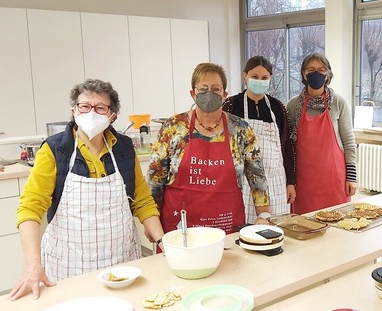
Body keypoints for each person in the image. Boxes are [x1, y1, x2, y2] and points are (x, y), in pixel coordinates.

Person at [8, 79, 165, 300]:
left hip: (121, 262)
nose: (91, 112)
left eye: (100, 107)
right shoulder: (54, 150)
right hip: (69, 265)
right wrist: (32, 264)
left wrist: (163, 244)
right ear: (74, 111)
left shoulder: (124, 148)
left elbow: (142, 201)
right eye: (84, 106)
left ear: (112, 115)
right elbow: (29, 208)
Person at [147, 63, 271, 235]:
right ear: (192, 93)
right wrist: (152, 222)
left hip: (225, 225)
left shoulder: (240, 129)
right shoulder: (174, 127)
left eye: (215, 89)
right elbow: (155, 179)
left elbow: (257, 177)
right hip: (179, 227)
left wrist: (263, 215)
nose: (209, 94)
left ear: (224, 94)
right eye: (203, 89)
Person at [222, 56, 295, 224]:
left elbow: (288, 146)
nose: (259, 81)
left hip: (276, 179)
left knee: (276, 228)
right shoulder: (231, 105)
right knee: (246, 229)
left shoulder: (277, 107)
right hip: (244, 181)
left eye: (264, 78)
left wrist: (291, 182)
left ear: (270, 78)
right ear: (245, 76)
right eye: (254, 77)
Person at [286, 52, 358, 215]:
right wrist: (290, 181)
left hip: (334, 180)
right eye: (310, 69)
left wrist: (352, 177)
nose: (316, 73)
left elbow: (349, 143)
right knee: (305, 227)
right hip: (304, 183)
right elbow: (288, 146)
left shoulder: (338, 102)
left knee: (338, 226)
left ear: (328, 74)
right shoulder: (293, 105)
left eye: (321, 69)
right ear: (304, 74)